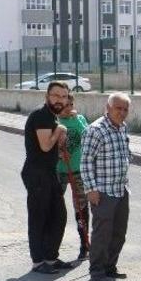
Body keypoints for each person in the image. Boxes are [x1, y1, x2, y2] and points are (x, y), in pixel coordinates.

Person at [81, 93, 133, 281]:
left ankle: (110, 266)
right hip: (102, 191)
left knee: (119, 232)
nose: (122, 112)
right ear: (108, 108)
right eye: (118, 108)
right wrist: (91, 189)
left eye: (125, 109)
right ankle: (97, 270)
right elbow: (85, 162)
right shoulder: (95, 130)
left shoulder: (122, 128)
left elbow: (125, 151)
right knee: (102, 233)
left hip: (121, 189)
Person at [22, 82, 71, 275]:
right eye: (56, 95)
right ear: (47, 96)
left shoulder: (52, 117)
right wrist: (59, 130)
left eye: (63, 96)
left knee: (58, 216)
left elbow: (53, 149)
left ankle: (50, 257)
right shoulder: (42, 116)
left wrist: (60, 136)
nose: (59, 100)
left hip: (49, 172)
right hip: (37, 173)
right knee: (39, 217)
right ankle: (38, 261)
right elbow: (44, 146)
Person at [57, 93, 90, 261]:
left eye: (71, 104)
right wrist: (58, 154)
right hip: (59, 171)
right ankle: (52, 249)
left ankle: (85, 244)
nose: (69, 108)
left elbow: (88, 137)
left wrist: (77, 120)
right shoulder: (54, 122)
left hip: (78, 170)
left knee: (82, 208)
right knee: (55, 207)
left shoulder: (80, 119)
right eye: (65, 105)